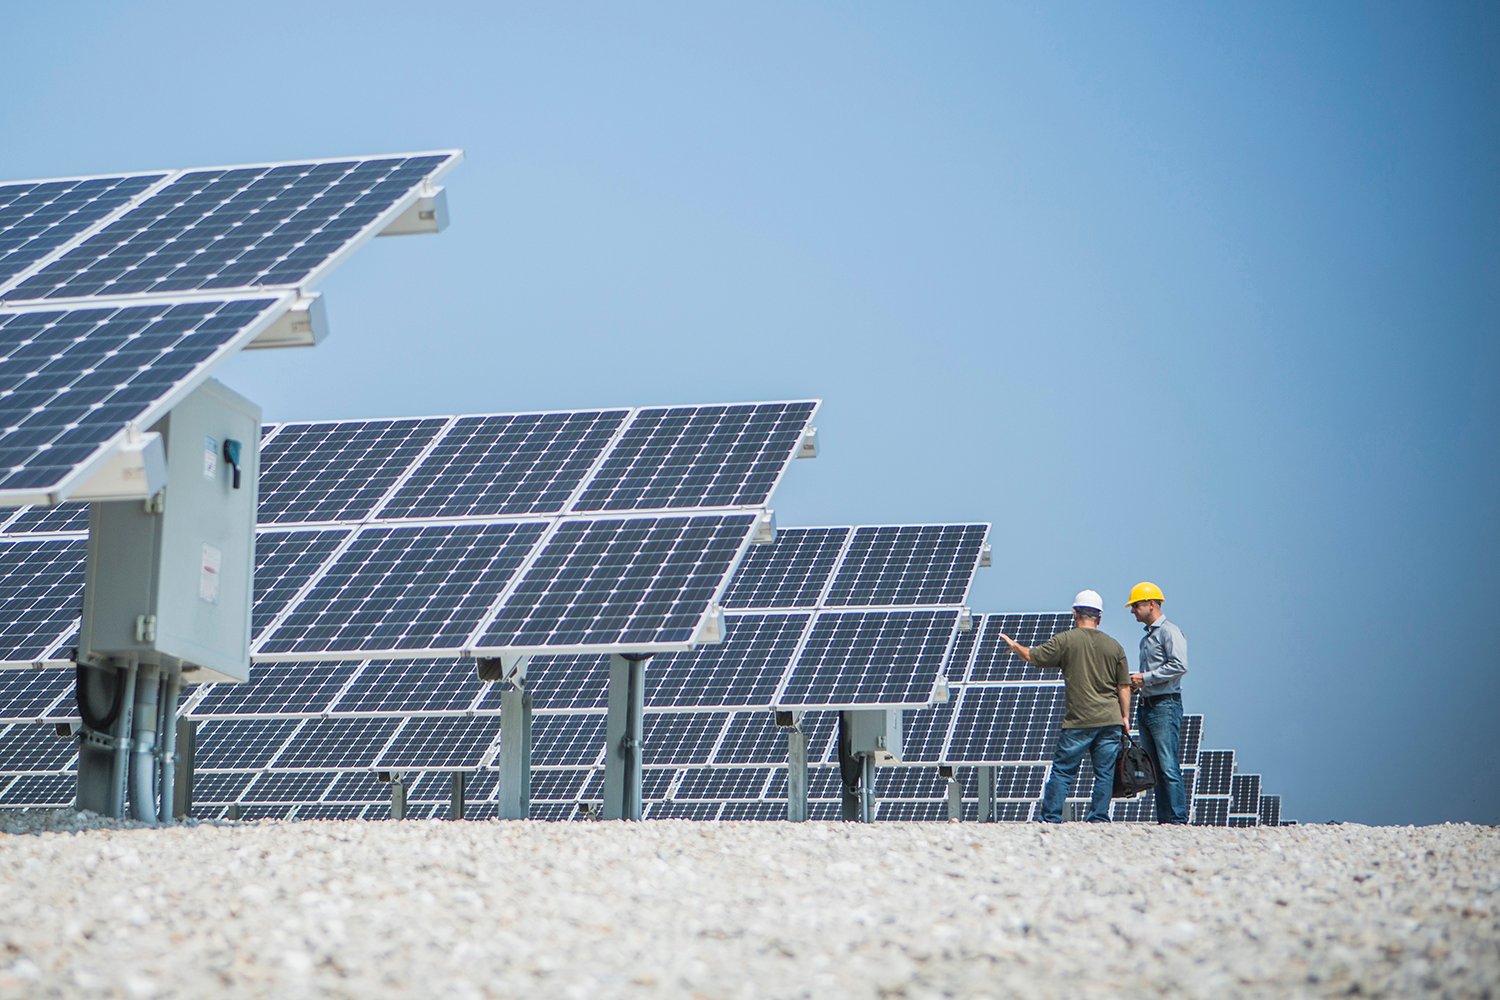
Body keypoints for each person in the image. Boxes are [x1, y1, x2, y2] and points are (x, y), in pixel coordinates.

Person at [998, 590, 1131, 823]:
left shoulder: (1065, 640)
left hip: (1079, 720)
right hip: (1110, 719)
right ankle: (1099, 818)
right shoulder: (1115, 647)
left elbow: (1034, 656)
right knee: (1104, 773)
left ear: (1075, 614)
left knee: (1062, 771)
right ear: (1099, 618)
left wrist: (1015, 646)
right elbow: (1124, 686)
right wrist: (1125, 717)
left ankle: (1051, 818)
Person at [1127, 581, 1189, 824]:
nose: (1132, 611)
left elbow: (1179, 665)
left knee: (1168, 766)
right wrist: (1136, 685)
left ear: (1151, 604)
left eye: (1135, 605)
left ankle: (1176, 819)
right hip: (1148, 706)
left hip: (1165, 706)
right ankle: (1165, 819)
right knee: (1155, 768)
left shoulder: (1169, 632)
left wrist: (1146, 678)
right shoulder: (1146, 640)